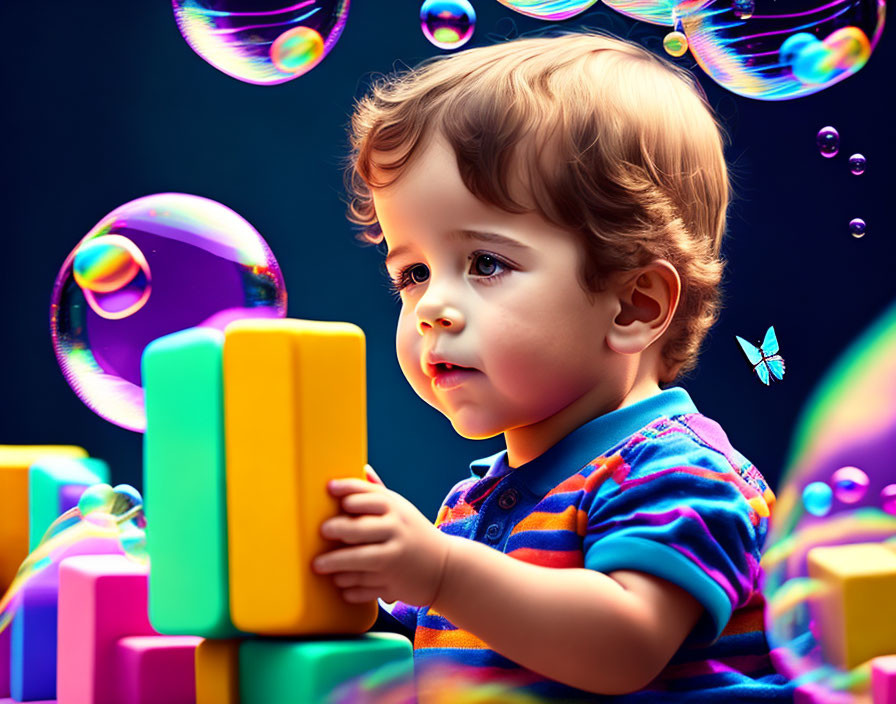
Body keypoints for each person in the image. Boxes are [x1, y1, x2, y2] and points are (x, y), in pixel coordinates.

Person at [311, 31, 794, 701]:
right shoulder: (475, 504)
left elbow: (623, 646)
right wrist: (358, 586)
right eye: (413, 273)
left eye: (486, 263)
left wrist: (437, 570)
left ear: (633, 304)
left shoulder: (677, 472)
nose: (432, 308)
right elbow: (453, 655)